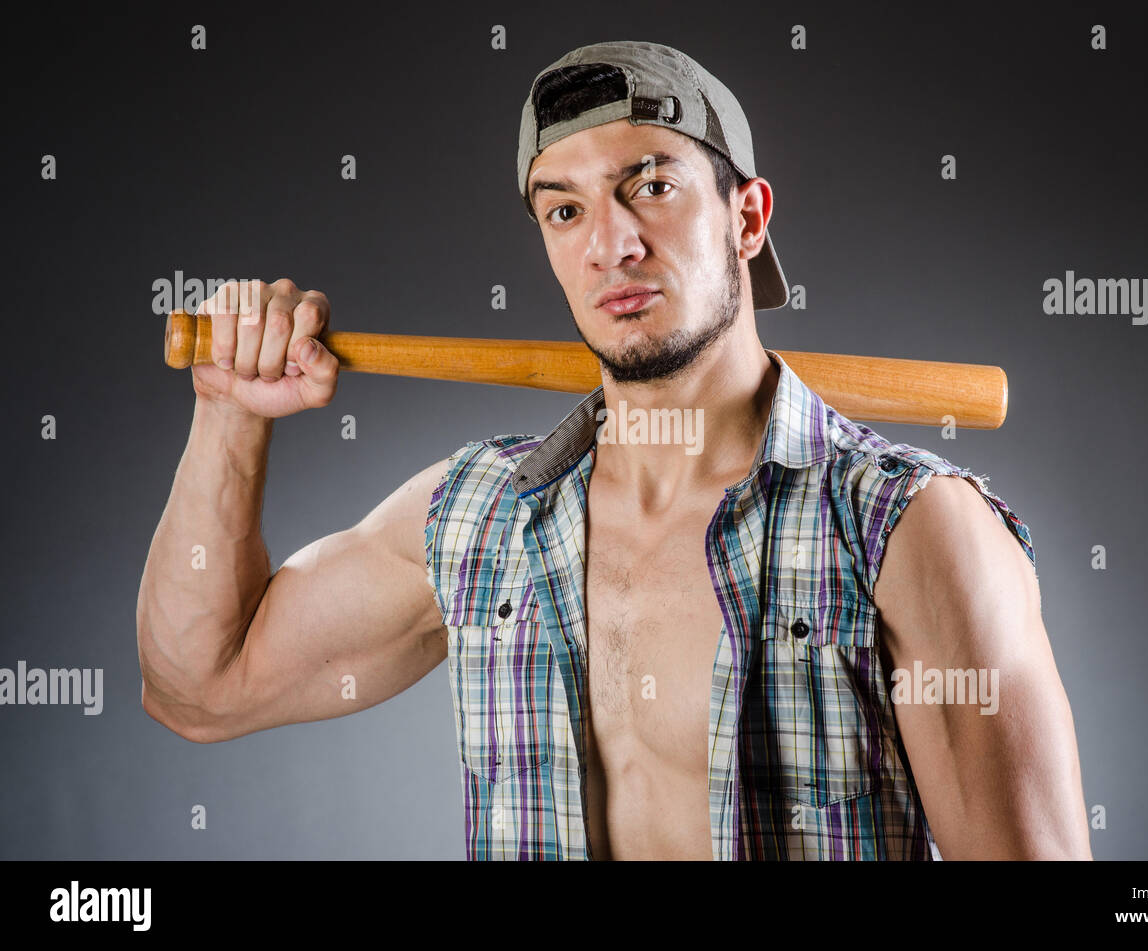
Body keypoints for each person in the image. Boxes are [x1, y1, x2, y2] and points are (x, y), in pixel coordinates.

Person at [137, 40, 1090, 861]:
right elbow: (200, 689)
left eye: (653, 187)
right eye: (566, 210)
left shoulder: (906, 529)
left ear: (748, 219)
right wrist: (229, 415)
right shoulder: (480, 518)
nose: (611, 245)